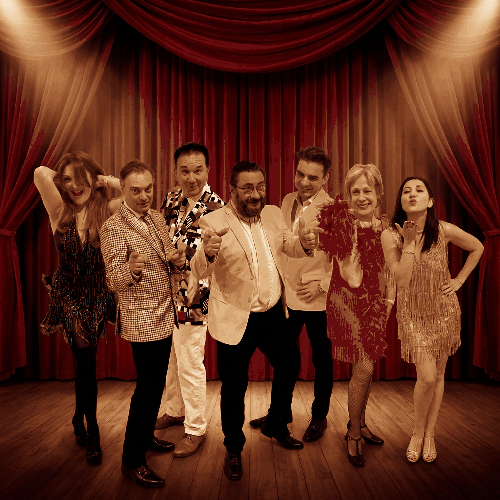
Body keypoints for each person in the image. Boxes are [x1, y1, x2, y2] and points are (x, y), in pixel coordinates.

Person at [187, 160, 323, 481]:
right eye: (247, 188)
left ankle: (276, 423)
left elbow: (288, 245)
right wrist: (207, 252)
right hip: (236, 316)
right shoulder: (213, 221)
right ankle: (233, 447)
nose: (255, 194)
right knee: (234, 387)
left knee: (290, 363)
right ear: (232, 190)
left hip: (273, 313)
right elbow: (199, 269)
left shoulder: (273, 214)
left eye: (260, 186)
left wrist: (304, 244)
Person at [381, 177, 483, 463]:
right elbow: (401, 280)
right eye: (406, 191)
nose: (412, 194)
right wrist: (409, 243)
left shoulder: (443, 230)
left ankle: (430, 434)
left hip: (444, 311)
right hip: (413, 314)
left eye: (419, 190)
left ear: (430, 201)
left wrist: (459, 280)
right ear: (401, 201)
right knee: (426, 377)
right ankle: (417, 431)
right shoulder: (391, 235)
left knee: (438, 376)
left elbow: (477, 246)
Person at [100, 160, 187, 488]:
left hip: (164, 312)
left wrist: (176, 259)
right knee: (147, 388)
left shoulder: (155, 218)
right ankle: (132, 460)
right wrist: (131, 269)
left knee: (156, 384)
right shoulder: (113, 227)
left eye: (148, 189)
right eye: (135, 190)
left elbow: (166, 257)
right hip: (142, 319)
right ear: (122, 190)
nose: (144, 196)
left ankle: (146, 436)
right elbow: (113, 280)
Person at [34, 151, 123, 466]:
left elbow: (132, 193)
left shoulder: (106, 209)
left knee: (86, 364)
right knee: (86, 361)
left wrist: (100, 180)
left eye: (80, 179)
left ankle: (76, 417)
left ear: (93, 180)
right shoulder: (58, 209)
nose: (74, 186)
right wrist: (66, 175)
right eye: (67, 180)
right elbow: (39, 173)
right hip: (68, 294)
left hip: (98, 294)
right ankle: (93, 431)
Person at [249, 146, 334, 442]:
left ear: (325, 179)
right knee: (285, 359)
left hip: (317, 297)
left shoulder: (334, 209)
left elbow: (346, 257)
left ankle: (319, 416)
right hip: (286, 296)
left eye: (313, 177)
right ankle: (278, 414)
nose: (304, 182)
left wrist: (322, 284)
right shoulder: (286, 200)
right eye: (300, 174)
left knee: (322, 360)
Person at [318, 164, 395, 467]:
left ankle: (360, 422)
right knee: (363, 367)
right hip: (347, 302)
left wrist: (388, 304)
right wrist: (351, 232)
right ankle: (352, 434)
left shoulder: (387, 228)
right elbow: (352, 278)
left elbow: (391, 273)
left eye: (367, 191)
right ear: (348, 196)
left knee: (369, 365)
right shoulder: (342, 225)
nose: (362, 197)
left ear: (378, 194)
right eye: (355, 192)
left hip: (376, 304)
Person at [155, 142, 225, 457]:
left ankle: (195, 428)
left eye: (198, 170)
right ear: (175, 172)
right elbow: (161, 235)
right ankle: (174, 408)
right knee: (171, 357)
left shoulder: (218, 208)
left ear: (208, 170)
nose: (191, 177)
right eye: (185, 171)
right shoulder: (171, 199)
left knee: (190, 361)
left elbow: (218, 260)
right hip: (165, 291)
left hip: (196, 295)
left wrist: (185, 259)